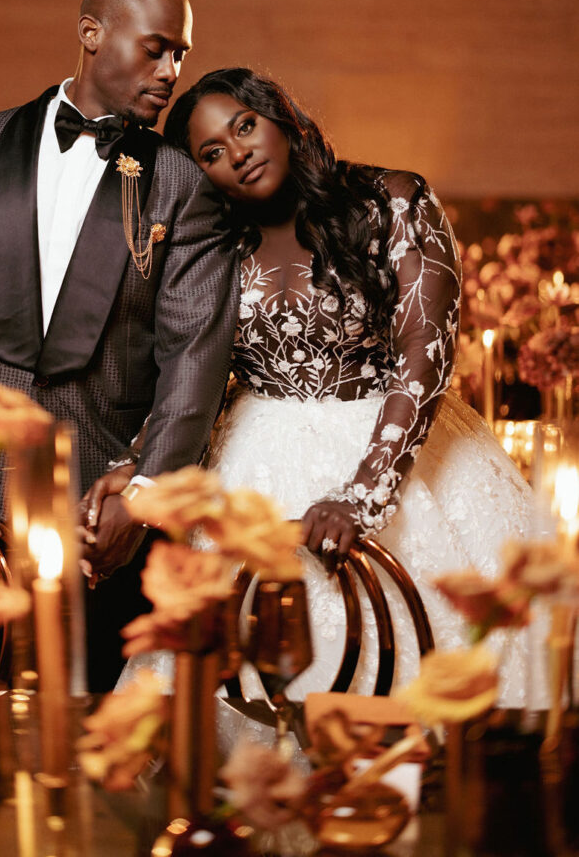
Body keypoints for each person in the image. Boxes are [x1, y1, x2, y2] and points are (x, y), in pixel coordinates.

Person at [104, 67, 533, 711]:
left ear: (281, 117)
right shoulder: (211, 242)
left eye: (245, 126)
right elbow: (196, 373)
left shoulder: (393, 199)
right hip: (252, 463)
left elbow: (427, 352)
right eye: (212, 153)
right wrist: (136, 465)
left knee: (435, 684)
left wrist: (364, 496)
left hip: (393, 443)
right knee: (229, 694)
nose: (238, 154)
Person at [0, 0, 239, 691]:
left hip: (101, 517)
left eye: (180, 53)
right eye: (156, 49)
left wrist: (140, 492)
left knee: (90, 746)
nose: (172, 72)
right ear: (90, 34)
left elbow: (193, 359)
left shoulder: (178, 181)